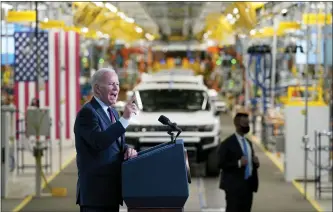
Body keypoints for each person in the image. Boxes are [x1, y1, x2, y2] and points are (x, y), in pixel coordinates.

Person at [74, 68, 138, 212]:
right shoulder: (87, 113)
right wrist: (125, 120)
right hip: (95, 195)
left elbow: (115, 142)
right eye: (111, 84)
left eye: (117, 83)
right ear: (97, 88)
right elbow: (99, 142)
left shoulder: (113, 112)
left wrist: (127, 149)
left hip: (111, 193)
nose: (116, 88)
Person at [218, 112, 260, 212]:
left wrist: (255, 163)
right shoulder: (227, 143)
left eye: (248, 123)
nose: (246, 126)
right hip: (233, 187)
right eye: (244, 124)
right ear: (237, 124)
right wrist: (238, 163)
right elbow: (220, 163)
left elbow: (250, 164)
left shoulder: (248, 143)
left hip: (248, 186)